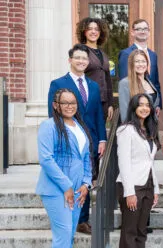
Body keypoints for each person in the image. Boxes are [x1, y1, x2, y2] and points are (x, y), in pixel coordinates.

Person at [47, 44, 107, 235]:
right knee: (67, 177)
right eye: (78, 58)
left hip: (91, 140)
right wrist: (58, 139)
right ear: (70, 60)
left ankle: (82, 220)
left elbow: (98, 114)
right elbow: (53, 114)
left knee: (86, 178)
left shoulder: (93, 86)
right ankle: (64, 216)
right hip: (68, 139)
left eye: (84, 59)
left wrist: (102, 140)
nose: (81, 61)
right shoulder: (58, 84)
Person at [37, 88, 92, 248]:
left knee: (69, 236)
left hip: (77, 191)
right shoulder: (49, 126)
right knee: (63, 235)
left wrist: (86, 183)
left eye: (73, 102)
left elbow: (86, 157)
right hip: (56, 190)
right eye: (65, 102)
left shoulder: (79, 126)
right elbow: (46, 159)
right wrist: (66, 185)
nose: (70, 106)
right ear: (55, 105)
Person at [116, 93, 160, 248]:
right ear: (134, 107)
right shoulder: (126, 130)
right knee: (130, 232)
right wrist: (129, 192)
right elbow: (124, 162)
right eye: (141, 104)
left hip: (147, 185)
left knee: (141, 231)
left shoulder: (149, 130)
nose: (145, 108)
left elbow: (150, 162)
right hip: (132, 186)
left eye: (148, 105)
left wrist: (156, 189)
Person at [118, 19, 161, 109]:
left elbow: (155, 82)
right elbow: (125, 82)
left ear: (149, 32)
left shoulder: (153, 55)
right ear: (132, 33)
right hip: (135, 105)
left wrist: (158, 105)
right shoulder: (126, 53)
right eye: (139, 29)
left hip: (152, 105)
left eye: (145, 29)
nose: (142, 31)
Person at [76, 17, 114, 122]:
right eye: (90, 29)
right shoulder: (80, 51)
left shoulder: (103, 54)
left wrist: (110, 104)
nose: (93, 32)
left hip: (103, 103)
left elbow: (108, 80)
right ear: (84, 32)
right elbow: (76, 77)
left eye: (96, 29)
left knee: (100, 134)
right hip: (87, 102)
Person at [119, 49, 161, 122]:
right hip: (135, 128)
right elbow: (125, 114)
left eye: (143, 61)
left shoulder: (148, 81)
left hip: (151, 128)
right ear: (131, 64)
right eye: (137, 61)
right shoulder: (125, 83)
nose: (141, 64)